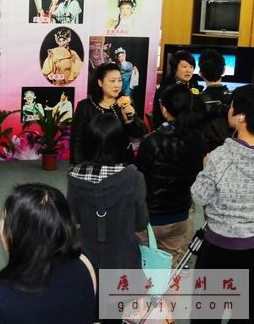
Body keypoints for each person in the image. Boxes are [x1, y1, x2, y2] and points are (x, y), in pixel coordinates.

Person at [0, 183, 97, 323]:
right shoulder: (88, 259)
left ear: (22, 235)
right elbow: (110, 313)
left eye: (5, 219)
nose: (1, 225)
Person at [191, 84, 254, 324]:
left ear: (241, 116)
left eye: (231, 107)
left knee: (207, 315)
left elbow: (199, 196)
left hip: (218, 249)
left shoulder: (220, 157)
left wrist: (206, 167)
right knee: (245, 314)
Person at [136, 84, 207, 265]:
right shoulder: (198, 139)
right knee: (169, 267)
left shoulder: (152, 141)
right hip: (180, 215)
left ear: (164, 109)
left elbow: (139, 178)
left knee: (142, 265)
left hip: (150, 219)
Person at [68, 114, 149, 270]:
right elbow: (141, 223)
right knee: (121, 293)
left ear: (89, 143)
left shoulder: (74, 176)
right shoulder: (134, 177)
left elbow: (73, 218)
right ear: (121, 143)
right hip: (123, 257)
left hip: (86, 258)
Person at [70, 62, 147, 164]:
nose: (117, 85)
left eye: (119, 80)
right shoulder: (85, 106)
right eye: (112, 81)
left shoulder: (126, 102)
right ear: (100, 83)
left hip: (122, 161)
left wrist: (129, 119)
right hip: (92, 162)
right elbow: (77, 140)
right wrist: (78, 166)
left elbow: (137, 134)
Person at [152, 50, 202, 128]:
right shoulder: (164, 90)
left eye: (191, 67)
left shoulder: (195, 88)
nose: (188, 70)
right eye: (184, 67)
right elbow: (158, 117)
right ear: (175, 68)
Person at [198, 49, 233, 152]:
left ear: (200, 73)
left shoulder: (196, 100)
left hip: (205, 154)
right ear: (223, 71)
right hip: (230, 152)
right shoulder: (235, 98)